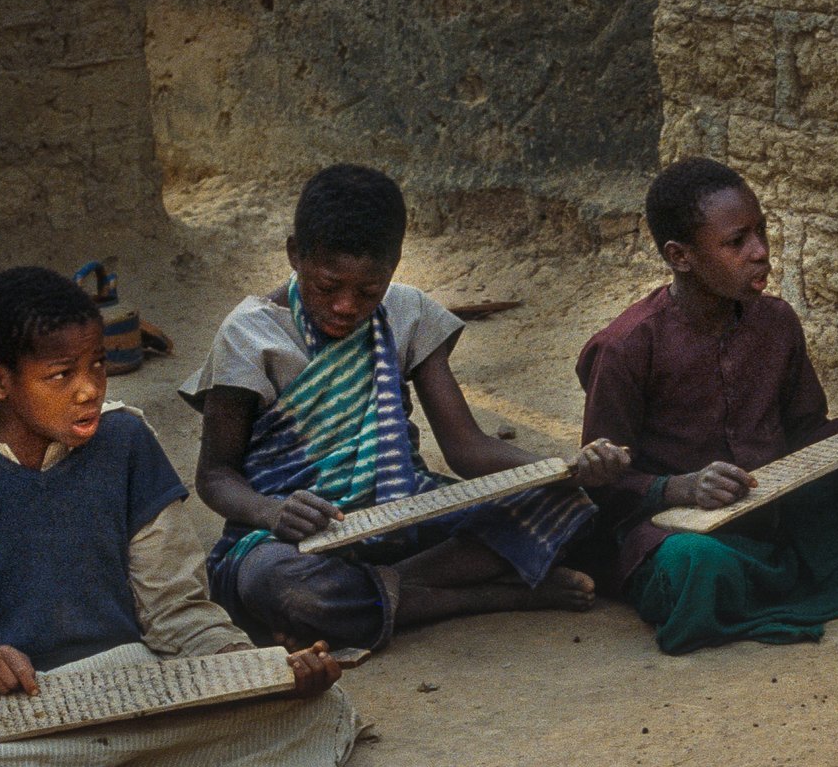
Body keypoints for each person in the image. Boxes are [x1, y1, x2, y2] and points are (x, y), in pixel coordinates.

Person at [0, 266, 359, 767]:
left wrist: (257, 671)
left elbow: (175, 606)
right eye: (61, 375)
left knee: (321, 708)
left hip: (125, 684)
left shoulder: (128, 441)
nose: (90, 389)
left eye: (98, 365)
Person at [184, 164, 630, 653]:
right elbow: (216, 477)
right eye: (327, 287)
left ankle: (375, 594)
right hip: (297, 537)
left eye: (369, 291)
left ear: (395, 265)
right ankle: (487, 597)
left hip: (402, 510)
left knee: (563, 506)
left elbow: (467, 448)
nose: (346, 307)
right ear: (295, 254)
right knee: (279, 584)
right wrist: (272, 512)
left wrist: (566, 470)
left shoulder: (406, 312)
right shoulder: (249, 335)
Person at [575, 156, 838, 653]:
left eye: (762, 232)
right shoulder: (626, 347)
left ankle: (792, 574)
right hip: (683, 532)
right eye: (736, 243)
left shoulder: (775, 322)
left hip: (777, 508)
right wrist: (680, 487)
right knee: (696, 566)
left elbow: (806, 431)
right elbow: (604, 485)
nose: (761, 253)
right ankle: (788, 580)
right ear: (679, 256)